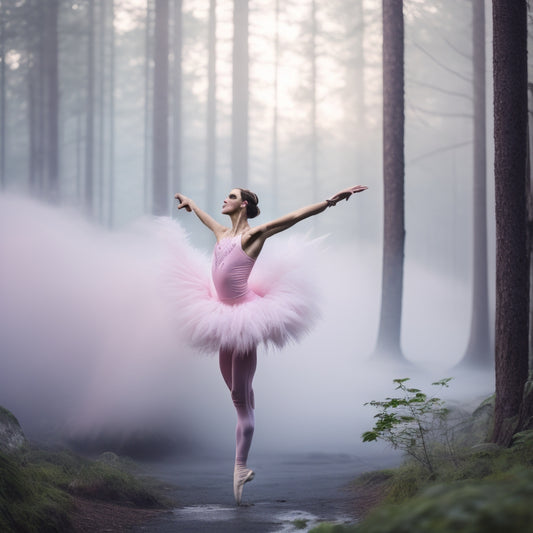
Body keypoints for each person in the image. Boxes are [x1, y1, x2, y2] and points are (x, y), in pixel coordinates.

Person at [172, 185, 367, 505]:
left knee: (239, 398)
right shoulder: (222, 233)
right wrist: (189, 202)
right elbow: (204, 217)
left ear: (244, 205)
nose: (224, 200)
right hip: (221, 316)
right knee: (237, 396)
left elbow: (293, 217)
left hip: (246, 318)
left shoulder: (254, 235)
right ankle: (247, 404)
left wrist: (330, 201)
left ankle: (239, 467)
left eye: (231, 197)